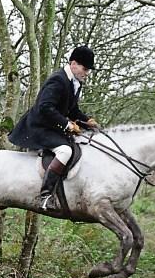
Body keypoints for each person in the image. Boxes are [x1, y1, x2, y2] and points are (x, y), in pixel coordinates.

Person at [9, 45, 99, 209]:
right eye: (85, 69)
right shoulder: (58, 80)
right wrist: (67, 125)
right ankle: (45, 195)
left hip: (50, 126)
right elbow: (45, 107)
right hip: (38, 127)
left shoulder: (74, 81)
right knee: (65, 151)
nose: (87, 73)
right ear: (73, 63)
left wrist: (87, 121)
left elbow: (71, 110)